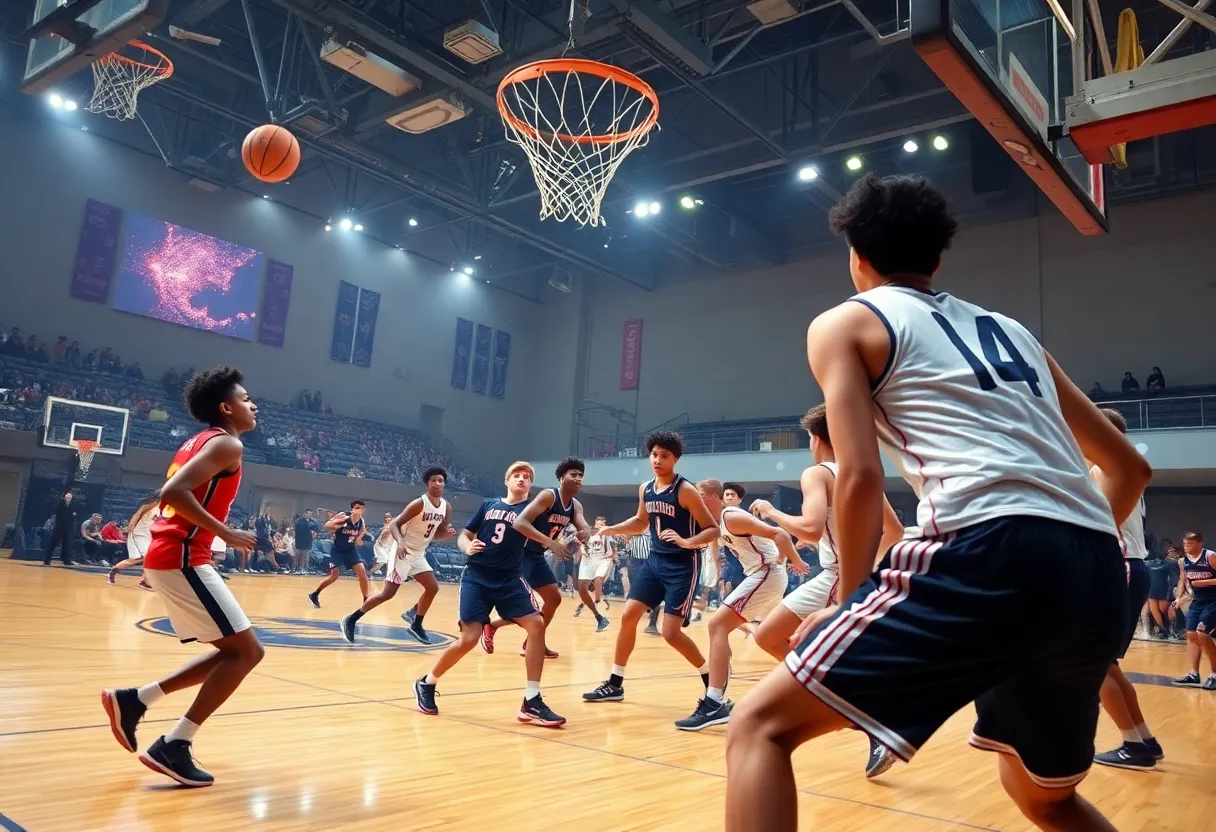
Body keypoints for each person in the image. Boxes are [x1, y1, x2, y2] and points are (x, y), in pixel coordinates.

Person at [724, 174, 1150, 832]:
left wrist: (848, 602)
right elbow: (1130, 469)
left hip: (983, 545)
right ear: (938, 258)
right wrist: (1067, 548)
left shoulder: (846, 322)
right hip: (1095, 567)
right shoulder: (1013, 332)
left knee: (758, 727)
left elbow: (859, 474)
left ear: (856, 257)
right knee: (1045, 797)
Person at [100, 365, 262, 788]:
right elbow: (172, 493)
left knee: (235, 651)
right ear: (226, 408)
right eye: (246, 399)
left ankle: (135, 701)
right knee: (247, 653)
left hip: (174, 555)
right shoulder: (227, 443)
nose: (254, 405)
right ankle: (174, 744)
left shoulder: (198, 441)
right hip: (183, 555)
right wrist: (227, 532)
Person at [748, 403, 905, 778]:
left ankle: (854, 710)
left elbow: (811, 527)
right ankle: (844, 703)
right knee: (776, 638)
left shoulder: (816, 473)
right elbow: (894, 531)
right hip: (851, 573)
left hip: (836, 576)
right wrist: (865, 567)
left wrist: (771, 512)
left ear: (815, 438)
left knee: (770, 637)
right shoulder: (862, 472)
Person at [414, 462, 565, 727]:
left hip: (510, 578)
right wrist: (466, 546)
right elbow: (464, 535)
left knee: (537, 624)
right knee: (469, 639)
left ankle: (531, 700)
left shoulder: (534, 512)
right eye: (517, 475)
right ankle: (427, 682)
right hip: (477, 576)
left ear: (531, 486)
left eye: (527, 477)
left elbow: (550, 531)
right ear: (507, 481)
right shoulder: (488, 505)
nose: (522, 479)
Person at [583, 431, 720, 705]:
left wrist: (686, 541)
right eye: (654, 455)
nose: (657, 460)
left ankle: (712, 679)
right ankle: (615, 684)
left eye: (664, 456)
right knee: (628, 616)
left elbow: (712, 529)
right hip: (655, 562)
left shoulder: (686, 490)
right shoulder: (645, 488)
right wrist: (613, 529)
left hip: (682, 565)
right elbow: (640, 522)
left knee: (671, 633)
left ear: (675, 459)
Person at [676, 479, 806, 732]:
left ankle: (714, 702)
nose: (696, 499)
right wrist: (685, 543)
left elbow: (779, 533)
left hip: (766, 573)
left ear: (715, 497)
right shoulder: (716, 522)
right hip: (762, 575)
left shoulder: (732, 516)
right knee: (770, 636)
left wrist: (792, 560)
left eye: (701, 494)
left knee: (717, 625)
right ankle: (811, 680)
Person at [1089, 408, 1163, 770]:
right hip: (1132, 567)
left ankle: (1134, 744)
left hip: (1121, 565)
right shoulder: (1117, 464)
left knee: (1093, 663)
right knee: (1107, 663)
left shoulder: (1102, 467)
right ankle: (1143, 739)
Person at [480, 457, 591, 659]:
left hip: (537, 556)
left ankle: (530, 640)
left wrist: (586, 532)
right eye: (573, 475)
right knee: (526, 607)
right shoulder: (549, 496)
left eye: (581, 476)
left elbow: (583, 524)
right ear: (561, 478)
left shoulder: (575, 506)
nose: (578, 478)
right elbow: (520, 523)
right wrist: (551, 543)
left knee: (554, 599)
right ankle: (495, 627)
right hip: (520, 553)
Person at [342, 468, 453, 645]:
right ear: (427, 485)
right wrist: (400, 542)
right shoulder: (419, 504)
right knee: (388, 594)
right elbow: (394, 525)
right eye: (433, 480)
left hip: (418, 553)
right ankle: (351, 619)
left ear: (444, 484)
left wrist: (446, 535)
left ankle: (416, 623)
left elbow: (437, 535)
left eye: (440, 480)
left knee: (432, 587)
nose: (437, 483)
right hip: (402, 551)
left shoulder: (446, 507)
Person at [1173, 531, 1216, 689]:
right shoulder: (1183, 561)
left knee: (1202, 634)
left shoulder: (1210, 556)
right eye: (1184, 544)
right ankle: (1193, 674)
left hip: (1213, 600)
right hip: (1197, 601)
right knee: (1191, 635)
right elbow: (1182, 579)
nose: (1186, 547)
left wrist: (1204, 582)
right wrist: (1178, 598)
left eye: (1189, 544)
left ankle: (1214, 674)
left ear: (1200, 543)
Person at [307, 501, 371, 608]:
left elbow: (363, 530)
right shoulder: (344, 518)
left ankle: (366, 599)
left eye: (361, 508)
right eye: (357, 508)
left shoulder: (361, 521)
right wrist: (337, 525)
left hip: (351, 549)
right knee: (334, 576)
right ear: (352, 509)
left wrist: (358, 538)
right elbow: (326, 526)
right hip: (338, 550)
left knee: (362, 573)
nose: (360, 510)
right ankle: (315, 594)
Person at [572, 516, 614, 630]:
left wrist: (612, 555)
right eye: (598, 524)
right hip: (588, 561)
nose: (599, 526)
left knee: (598, 580)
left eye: (602, 524)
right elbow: (580, 545)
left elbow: (614, 550)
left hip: (602, 560)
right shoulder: (587, 533)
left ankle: (598, 602)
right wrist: (581, 550)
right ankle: (599, 617)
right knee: (582, 589)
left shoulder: (608, 534)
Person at [107, 495, 159, 585]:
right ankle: (145, 582)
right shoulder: (149, 506)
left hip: (147, 537)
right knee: (149, 557)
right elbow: (136, 516)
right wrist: (129, 528)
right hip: (138, 534)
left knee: (136, 560)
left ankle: (113, 571)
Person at [43, 490, 77, 566]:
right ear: (64, 498)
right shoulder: (60, 504)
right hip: (59, 527)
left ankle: (66, 560)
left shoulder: (72, 505)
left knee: (67, 544)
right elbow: (58, 513)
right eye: (67, 497)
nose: (68, 499)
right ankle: (47, 559)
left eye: (70, 498)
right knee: (53, 543)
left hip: (68, 528)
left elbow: (73, 516)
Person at [370, 512, 396, 579]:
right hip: (380, 546)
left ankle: (389, 577)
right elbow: (381, 537)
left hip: (388, 547)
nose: (388, 518)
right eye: (386, 517)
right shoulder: (386, 527)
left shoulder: (395, 527)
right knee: (383, 560)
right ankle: (368, 574)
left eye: (389, 516)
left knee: (390, 562)